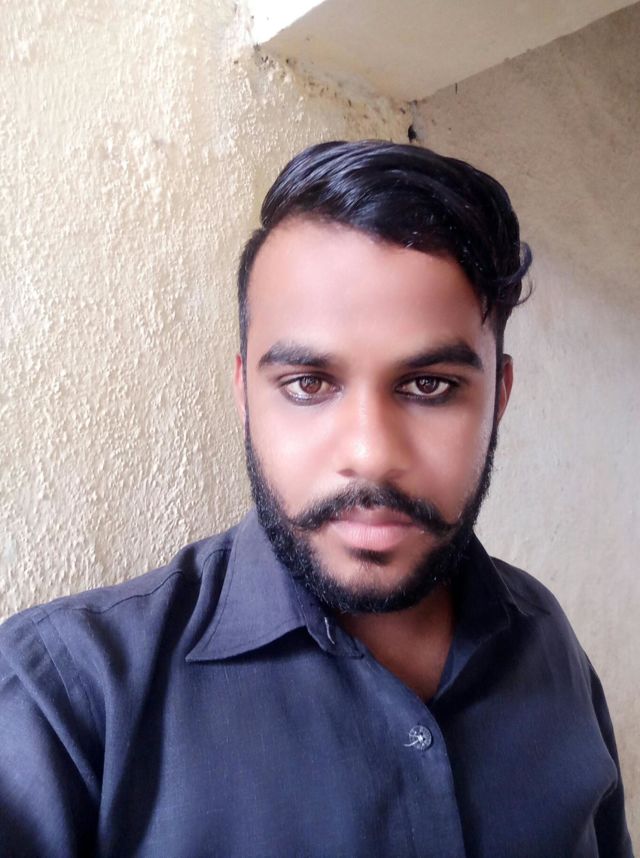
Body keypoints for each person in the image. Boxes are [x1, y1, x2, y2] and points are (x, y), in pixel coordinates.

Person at [0, 140, 632, 858]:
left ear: (500, 398)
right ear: (245, 393)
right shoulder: (64, 700)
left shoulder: (548, 645)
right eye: (308, 384)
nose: (370, 453)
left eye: (429, 386)